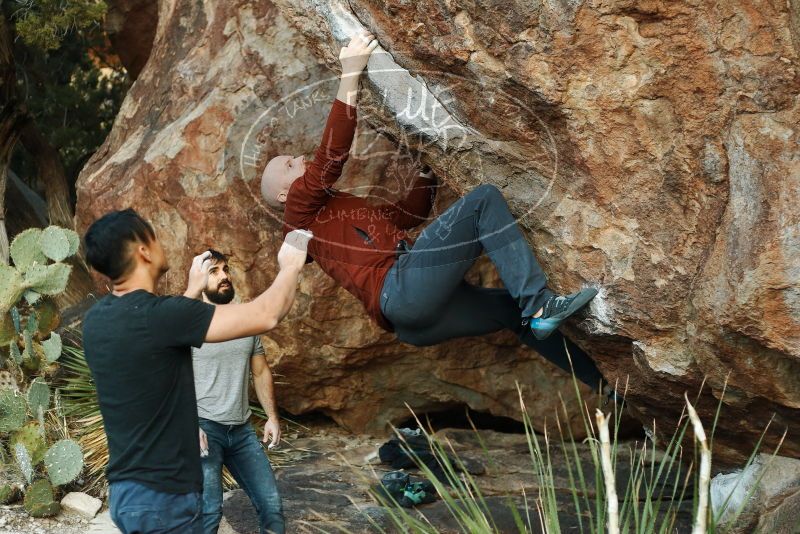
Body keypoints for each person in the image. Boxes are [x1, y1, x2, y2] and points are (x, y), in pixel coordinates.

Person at [260, 32, 606, 390]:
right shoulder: (297, 216)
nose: (299, 159)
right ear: (286, 195)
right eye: (289, 165)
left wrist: (426, 172)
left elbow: (406, 216)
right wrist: (350, 75)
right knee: (483, 201)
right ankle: (538, 305)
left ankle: (605, 385)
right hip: (402, 292)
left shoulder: (330, 217)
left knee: (507, 312)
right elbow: (330, 159)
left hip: (411, 321)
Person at [81, 208, 310, 533]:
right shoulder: (163, 317)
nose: (161, 245)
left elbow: (157, 353)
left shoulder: (97, 321)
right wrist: (291, 262)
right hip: (166, 498)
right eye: (155, 237)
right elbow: (268, 314)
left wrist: (191, 292)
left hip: (127, 493)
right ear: (143, 251)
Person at [184, 249, 284, 534]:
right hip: (204, 429)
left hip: (241, 431)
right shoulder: (185, 321)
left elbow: (261, 370)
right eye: (214, 272)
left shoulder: (245, 319)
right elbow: (167, 377)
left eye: (225, 269)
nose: (224, 276)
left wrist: (272, 417)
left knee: (272, 506)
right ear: (198, 279)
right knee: (209, 513)